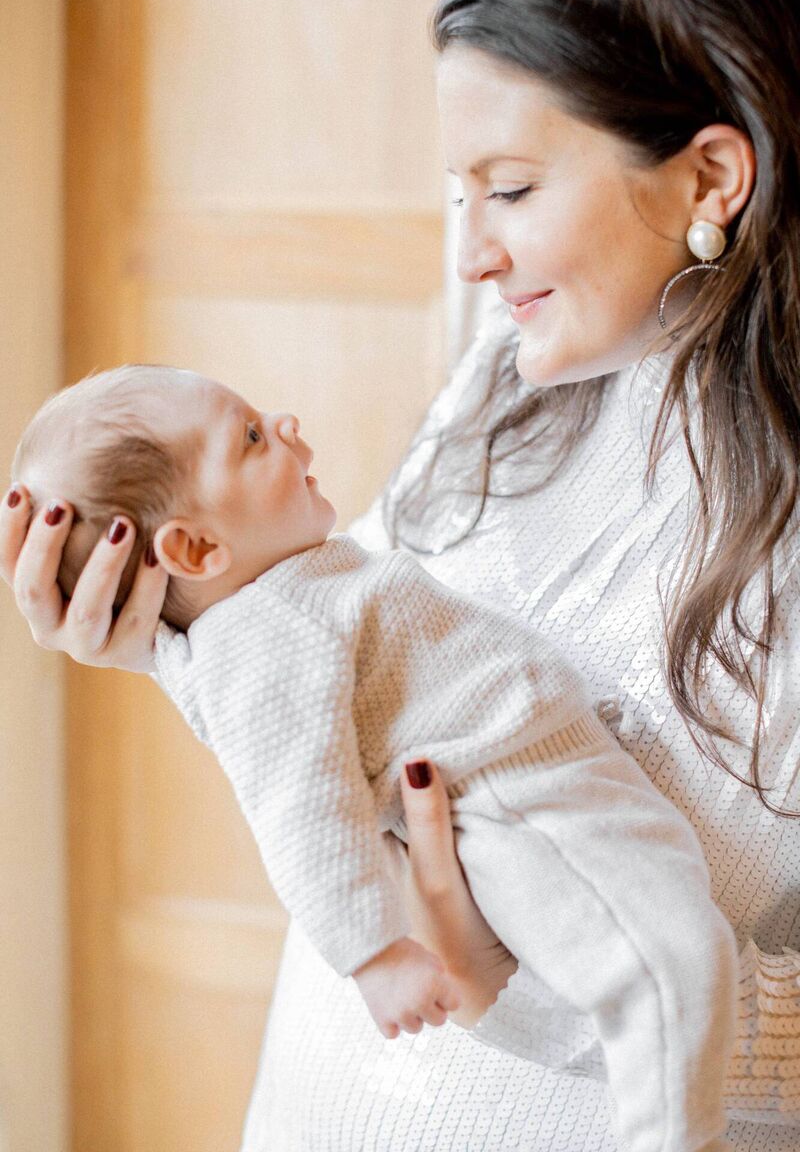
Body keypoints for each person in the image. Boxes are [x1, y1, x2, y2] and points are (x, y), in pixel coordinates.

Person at [3, 0, 800, 1147]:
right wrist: (175, 640)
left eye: (514, 188)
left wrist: (541, 983)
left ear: (711, 172)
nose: (472, 253)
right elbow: (336, 657)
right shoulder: (510, 355)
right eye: (455, 194)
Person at [11, 363, 739, 1151]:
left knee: (673, 954)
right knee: (671, 962)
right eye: (251, 437)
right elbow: (298, 804)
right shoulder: (255, 635)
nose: (285, 424)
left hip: (536, 782)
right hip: (507, 805)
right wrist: (374, 952)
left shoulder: (285, 587)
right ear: (193, 546)